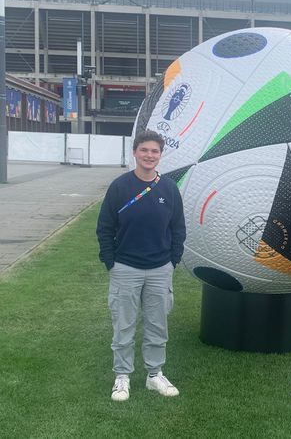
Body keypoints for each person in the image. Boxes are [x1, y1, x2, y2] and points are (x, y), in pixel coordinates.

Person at [96, 130, 186, 402]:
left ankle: (154, 375)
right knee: (123, 325)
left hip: (160, 268)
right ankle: (122, 377)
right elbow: (105, 228)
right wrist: (110, 261)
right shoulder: (120, 187)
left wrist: (173, 260)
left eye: (155, 151)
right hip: (125, 267)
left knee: (157, 325)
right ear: (135, 152)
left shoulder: (169, 188)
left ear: (160, 155)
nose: (149, 155)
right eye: (144, 150)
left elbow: (178, 228)